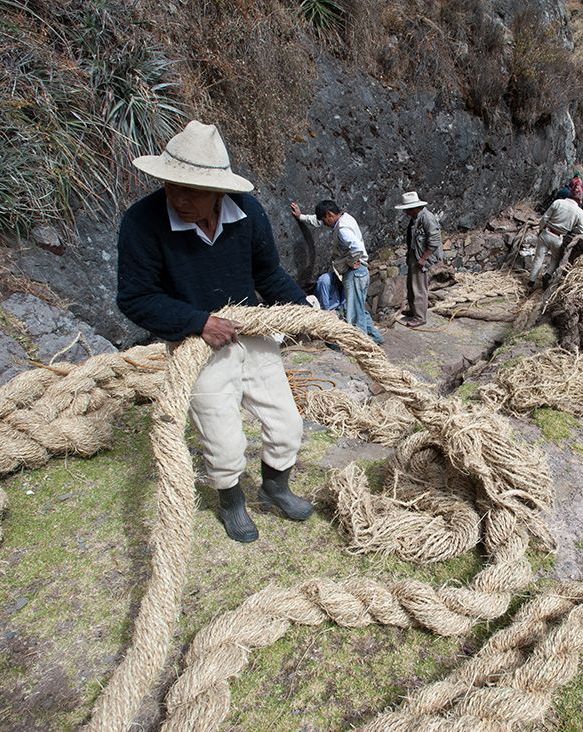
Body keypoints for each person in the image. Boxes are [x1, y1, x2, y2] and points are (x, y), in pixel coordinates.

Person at [116, 120, 314, 544]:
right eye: (172, 186)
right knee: (223, 441)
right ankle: (232, 503)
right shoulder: (143, 222)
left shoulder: (249, 214)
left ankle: (276, 487)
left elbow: (269, 275)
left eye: (191, 190)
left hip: (253, 331)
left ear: (220, 191)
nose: (178, 198)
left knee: (287, 425)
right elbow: (135, 297)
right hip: (196, 344)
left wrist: (308, 314)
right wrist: (198, 322)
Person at [291, 199, 385, 345]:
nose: (324, 224)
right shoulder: (345, 218)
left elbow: (357, 248)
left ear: (329, 214)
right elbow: (317, 221)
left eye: (324, 220)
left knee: (353, 312)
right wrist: (301, 217)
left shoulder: (342, 229)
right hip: (361, 273)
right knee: (359, 307)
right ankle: (375, 337)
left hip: (354, 273)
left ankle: (360, 344)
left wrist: (351, 261)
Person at [395, 191, 442, 328]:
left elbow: (434, 240)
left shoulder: (427, 219)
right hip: (414, 255)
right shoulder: (416, 218)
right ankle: (414, 310)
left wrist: (423, 258)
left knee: (419, 288)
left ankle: (420, 317)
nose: (406, 213)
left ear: (414, 207)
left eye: (407, 209)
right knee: (411, 285)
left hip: (421, 257)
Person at [528, 189, 583, 286]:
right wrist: (572, 230)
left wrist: (540, 230)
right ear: (580, 200)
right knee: (555, 259)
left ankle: (531, 281)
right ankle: (548, 274)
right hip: (559, 237)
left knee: (538, 258)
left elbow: (544, 218)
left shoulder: (558, 202)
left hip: (546, 232)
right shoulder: (579, 212)